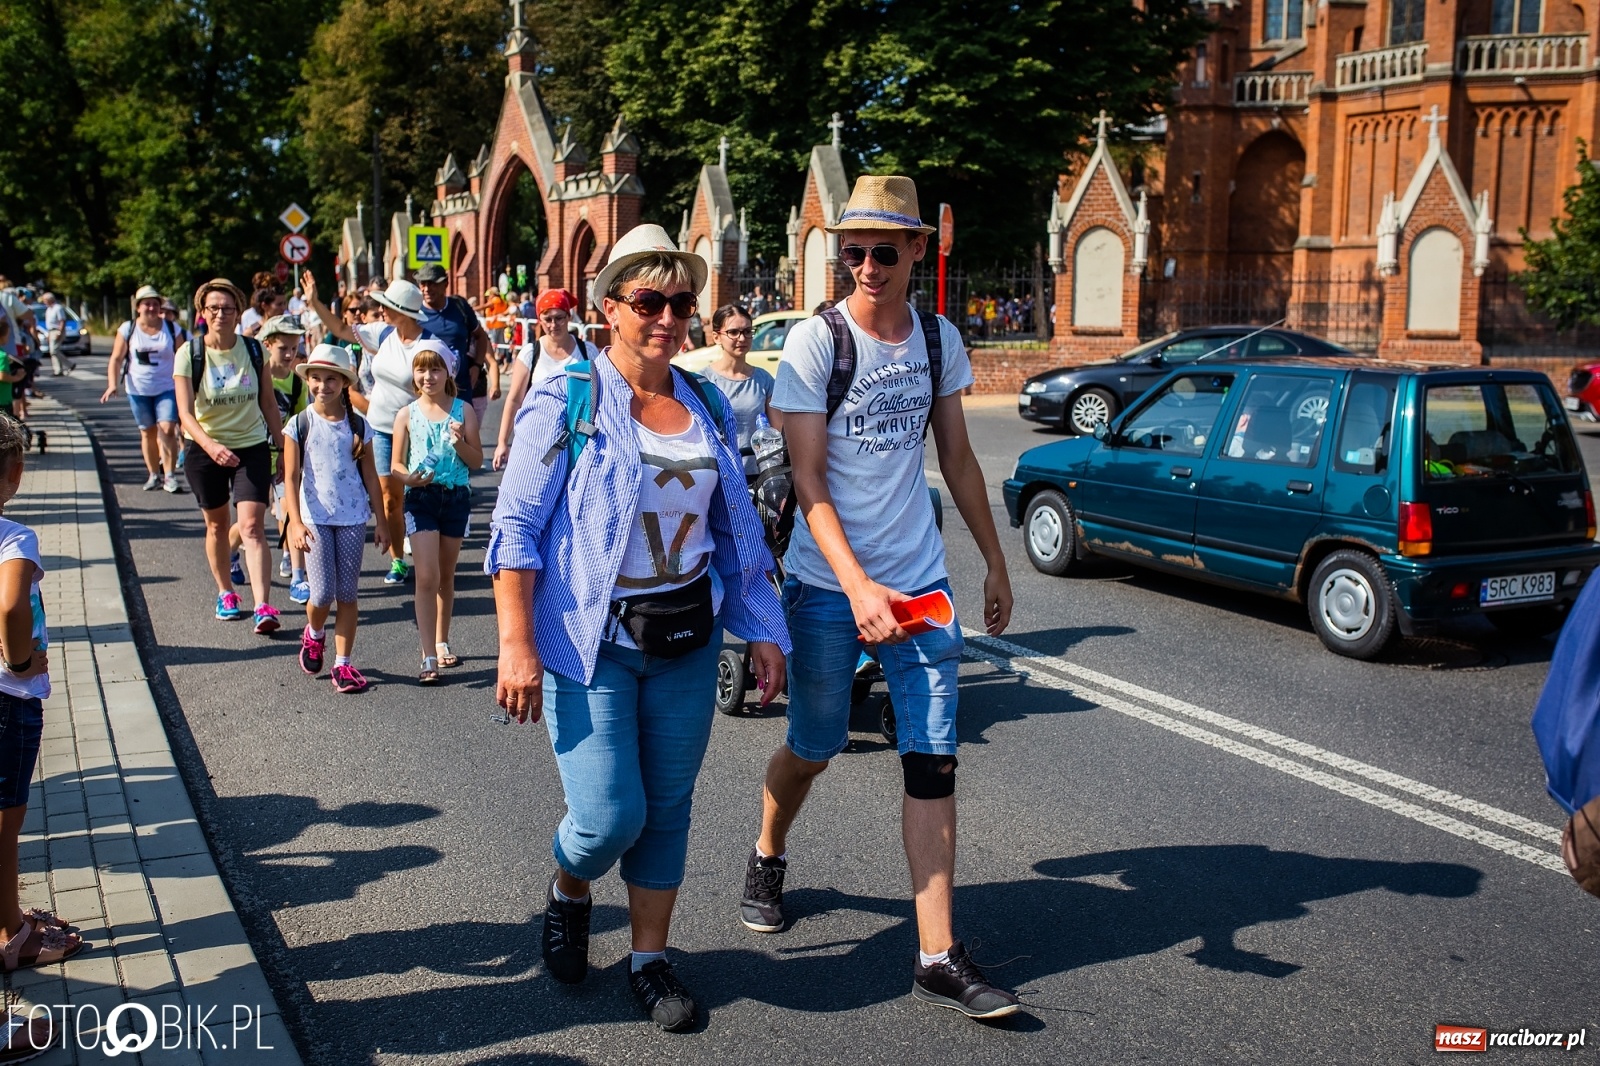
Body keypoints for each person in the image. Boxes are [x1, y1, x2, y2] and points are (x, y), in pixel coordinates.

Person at [489, 224, 789, 1032]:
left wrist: (762, 626)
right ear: (610, 308)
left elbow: (735, 530)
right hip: (595, 641)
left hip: (687, 638)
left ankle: (650, 959)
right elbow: (516, 527)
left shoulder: (706, 400)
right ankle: (570, 886)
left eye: (680, 302)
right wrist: (515, 644)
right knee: (606, 817)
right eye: (648, 301)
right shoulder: (568, 395)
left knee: (668, 807)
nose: (667, 318)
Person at [741, 175, 1020, 1019]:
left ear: (916, 254)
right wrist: (856, 584)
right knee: (816, 744)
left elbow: (961, 460)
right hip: (830, 589)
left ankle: (937, 953)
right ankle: (767, 848)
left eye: (883, 250)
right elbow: (809, 479)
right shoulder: (813, 346)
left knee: (933, 761)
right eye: (852, 250)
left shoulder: (937, 339)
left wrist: (994, 561)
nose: (866, 264)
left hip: (920, 587)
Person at [300, 272, 455, 586]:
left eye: (387, 305)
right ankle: (399, 559)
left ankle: (433, 559)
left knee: (425, 496)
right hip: (382, 429)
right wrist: (315, 301)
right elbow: (341, 329)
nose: (380, 308)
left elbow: (447, 392)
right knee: (390, 498)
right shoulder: (383, 333)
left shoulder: (432, 347)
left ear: (404, 312)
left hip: (419, 433)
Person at [0, 414, 84, 983]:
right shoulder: (14, 536)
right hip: (8, 697)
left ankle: (8, 920)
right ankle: (12, 937)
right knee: (6, 821)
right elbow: (10, 608)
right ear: (16, 471)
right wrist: (21, 660)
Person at [173, 278, 285, 632]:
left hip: (251, 445)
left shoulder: (254, 351)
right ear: (202, 313)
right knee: (218, 525)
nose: (221, 314)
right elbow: (185, 414)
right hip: (206, 450)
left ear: (239, 312)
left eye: (228, 308)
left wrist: (282, 448)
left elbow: (268, 402)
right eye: (213, 308)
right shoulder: (189, 353)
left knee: (252, 525)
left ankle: (263, 605)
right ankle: (226, 592)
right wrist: (211, 446)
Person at [283, 345, 387, 693]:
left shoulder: (358, 424)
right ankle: (314, 633)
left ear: (344, 383)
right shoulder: (299, 424)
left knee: (347, 592)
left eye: (331, 379)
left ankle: (343, 664)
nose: (322, 385)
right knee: (322, 592)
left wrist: (382, 521)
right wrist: (295, 522)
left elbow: (371, 475)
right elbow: (292, 476)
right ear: (308, 380)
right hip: (314, 517)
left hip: (353, 516)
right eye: (316, 378)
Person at [392, 349, 481, 683]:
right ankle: (428, 656)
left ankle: (442, 642)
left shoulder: (464, 411)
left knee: (446, 575)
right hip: (421, 498)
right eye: (420, 370)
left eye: (434, 370)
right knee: (426, 576)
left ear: (448, 374)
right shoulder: (406, 414)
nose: (427, 377)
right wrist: (408, 478)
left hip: (455, 497)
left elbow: (476, 462)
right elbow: (396, 465)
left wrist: (459, 443)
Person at [493, 289, 595, 470]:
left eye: (559, 317)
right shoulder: (531, 353)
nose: (554, 324)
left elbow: (599, 399)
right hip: (538, 439)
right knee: (538, 490)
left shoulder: (587, 351)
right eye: (547, 319)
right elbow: (515, 400)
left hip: (577, 442)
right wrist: (502, 442)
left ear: (569, 316)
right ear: (540, 320)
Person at [102, 285, 183, 493]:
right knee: (148, 432)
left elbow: (184, 359)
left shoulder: (172, 329)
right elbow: (116, 358)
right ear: (138, 307)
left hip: (167, 387)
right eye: (147, 303)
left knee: (167, 429)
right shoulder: (127, 329)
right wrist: (112, 384)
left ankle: (170, 475)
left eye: (155, 304)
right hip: (138, 389)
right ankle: (154, 474)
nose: (151, 307)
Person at [260, 315, 311, 601]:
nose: (290, 354)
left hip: (282, 457)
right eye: (283, 348)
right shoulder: (256, 376)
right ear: (268, 345)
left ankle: (298, 575)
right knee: (248, 524)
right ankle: (230, 550)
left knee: (290, 511)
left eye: (294, 348)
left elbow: (298, 424)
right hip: (255, 454)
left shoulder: (296, 384)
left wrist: (290, 455)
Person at [414, 264, 499, 429]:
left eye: (432, 283)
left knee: (463, 440)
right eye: (422, 284)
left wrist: (477, 365)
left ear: (445, 284)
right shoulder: (415, 313)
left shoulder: (460, 307)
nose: (426, 288)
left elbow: (481, 336)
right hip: (426, 392)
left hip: (461, 389)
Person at [700, 304, 776, 474]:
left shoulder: (764, 380)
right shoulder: (704, 381)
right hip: (719, 476)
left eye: (747, 331)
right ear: (716, 337)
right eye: (733, 332)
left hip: (758, 475)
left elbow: (777, 433)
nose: (742, 338)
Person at [40, 294, 72, 376]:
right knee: (53, 352)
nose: (44, 302)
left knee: (54, 350)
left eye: (45, 300)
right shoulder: (48, 309)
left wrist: (59, 332)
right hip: (51, 331)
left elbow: (62, 321)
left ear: (50, 299)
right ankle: (58, 370)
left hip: (56, 330)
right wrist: (48, 334)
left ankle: (69, 364)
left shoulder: (58, 308)